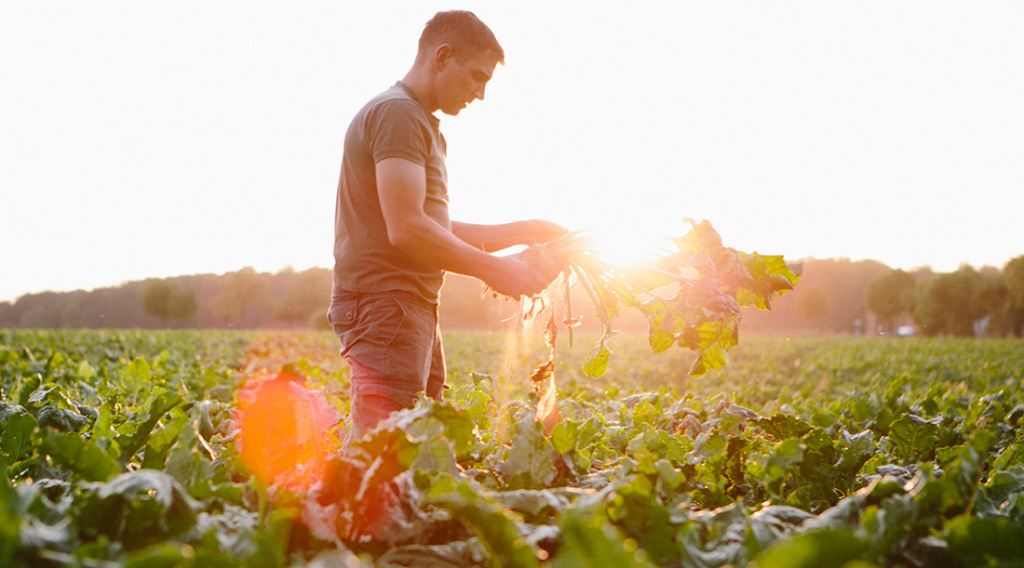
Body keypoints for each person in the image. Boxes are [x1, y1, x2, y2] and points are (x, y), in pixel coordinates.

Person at [328, 10, 566, 439]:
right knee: (384, 458)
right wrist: (496, 269)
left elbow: (428, 223)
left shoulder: (417, 121)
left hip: (406, 305)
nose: (480, 94)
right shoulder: (397, 114)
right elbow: (407, 230)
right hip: (388, 303)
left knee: (414, 451)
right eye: (477, 77)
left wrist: (522, 231)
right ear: (442, 57)